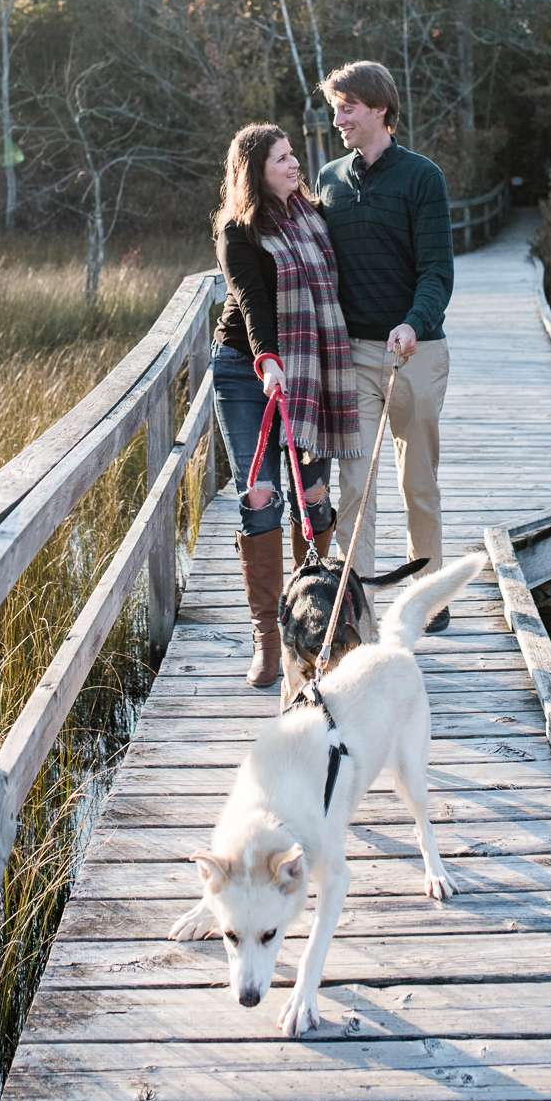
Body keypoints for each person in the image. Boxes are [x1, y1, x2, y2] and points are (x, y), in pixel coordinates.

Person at [212, 124, 362, 686]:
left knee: (314, 497)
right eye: (282, 158)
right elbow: (251, 300)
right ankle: (268, 640)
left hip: (312, 371)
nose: (295, 164)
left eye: (294, 154)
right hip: (247, 370)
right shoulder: (238, 230)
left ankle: (313, 619)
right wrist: (267, 358)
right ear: (256, 169)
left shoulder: (316, 216)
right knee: (260, 495)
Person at [315, 62, 455, 629]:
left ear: (379, 109)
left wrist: (413, 323)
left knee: (416, 482)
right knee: (357, 485)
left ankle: (428, 596)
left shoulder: (423, 178)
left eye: (347, 107)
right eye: (334, 108)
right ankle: (358, 601)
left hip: (413, 352)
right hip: (351, 355)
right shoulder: (327, 180)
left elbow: (437, 272)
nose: (338, 118)